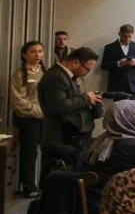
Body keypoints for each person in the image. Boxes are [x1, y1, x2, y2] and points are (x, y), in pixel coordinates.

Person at [39, 45, 103, 169]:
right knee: (61, 176)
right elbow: (58, 105)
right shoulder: (56, 76)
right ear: (76, 63)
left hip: (71, 137)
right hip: (60, 138)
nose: (86, 74)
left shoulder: (67, 76)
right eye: (87, 70)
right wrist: (86, 99)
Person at [10, 39, 46, 197]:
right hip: (27, 119)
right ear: (25, 55)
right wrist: (40, 111)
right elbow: (18, 101)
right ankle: (29, 187)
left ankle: (46, 184)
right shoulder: (19, 74)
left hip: (46, 119)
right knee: (29, 153)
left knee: (48, 151)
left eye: (40, 51)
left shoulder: (46, 72)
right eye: (33, 51)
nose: (37, 54)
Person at [101, 23, 135, 95]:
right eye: (125, 36)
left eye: (130, 36)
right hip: (117, 86)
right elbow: (104, 66)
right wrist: (119, 63)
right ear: (119, 34)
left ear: (133, 34)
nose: (127, 39)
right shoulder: (110, 47)